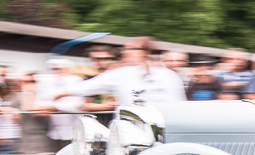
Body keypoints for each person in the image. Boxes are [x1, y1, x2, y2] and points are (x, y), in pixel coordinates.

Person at [54, 37, 185, 107]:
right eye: (125, 48)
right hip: (128, 133)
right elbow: (89, 86)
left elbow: (178, 105)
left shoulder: (168, 76)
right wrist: (59, 94)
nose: (125, 52)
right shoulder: (121, 73)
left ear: (145, 51)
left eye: (131, 49)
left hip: (161, 130)